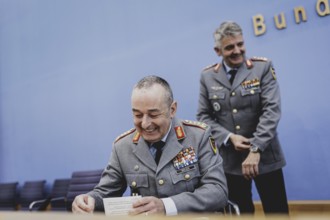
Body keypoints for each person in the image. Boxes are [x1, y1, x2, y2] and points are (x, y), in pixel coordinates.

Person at [72, 75, 228, 215]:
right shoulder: (122, 147)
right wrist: (89, 199)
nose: (145, 124)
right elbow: (105, 192)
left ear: (172, 109)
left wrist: (166, 206)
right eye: (137, 115)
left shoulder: (198, 136)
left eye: (153, 114)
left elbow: (217, 191)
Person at [196, 21, 289, 215]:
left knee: (277, 211)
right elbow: (203, 116)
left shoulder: (262, 68)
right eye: (230, 47)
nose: (237, 50)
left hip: (265, 156)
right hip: (231, 162)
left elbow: (271, 110)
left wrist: (255, 149)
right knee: (240, 213)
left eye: (240, 44)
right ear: (218, 51)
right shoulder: (207, 76)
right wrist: (229, 138)